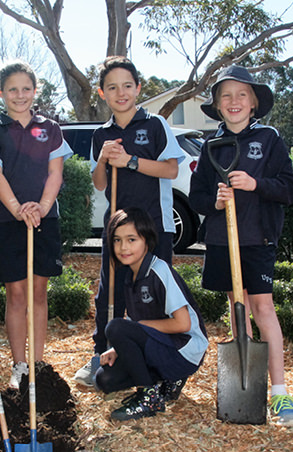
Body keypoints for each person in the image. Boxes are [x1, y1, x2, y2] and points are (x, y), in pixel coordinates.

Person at [188, 65, 293, 427]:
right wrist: (216, 203)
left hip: (258, 238)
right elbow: (197, 199)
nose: (234, 101)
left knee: (262, 306)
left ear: (253, 102)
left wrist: (256, 185)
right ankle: (247, 386)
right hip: (224, 240)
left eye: (241, 94)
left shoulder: (268, 139)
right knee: (237, 308)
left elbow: (289, 188)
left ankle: (281, 393)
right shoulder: (211, 147)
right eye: (226, 95)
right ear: (218, 106)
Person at [73, 56, 186, 387]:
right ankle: (102, 354)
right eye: (112, 87)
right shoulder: (101, 134)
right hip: (117, 228)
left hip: (153, 226)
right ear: (102, 93)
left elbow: (171, 169)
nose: (120, 93)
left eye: (126, 86)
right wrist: (105, 160)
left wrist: (131, 161)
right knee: (110, 291)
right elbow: (99, 183)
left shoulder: (155, 125)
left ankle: (162, 362)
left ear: (137, 89)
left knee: (156, 294)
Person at [0, 61, 73, 389]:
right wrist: (19, 209)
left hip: (44, 218)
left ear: (35, 91)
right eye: (12, 89)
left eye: (26, 89)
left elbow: (55, 172)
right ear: (1, 93)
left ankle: (37, 365)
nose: (20, 95)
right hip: (9, 220)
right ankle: (19, 366)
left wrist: (43, 207)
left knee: (38, 291)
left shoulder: (50, 128)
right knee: (16, 294)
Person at [95, 207, 207, 421]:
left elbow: (183, 324)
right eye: (117, 240)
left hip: (183, 350)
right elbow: (137, 328)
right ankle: (169, 381)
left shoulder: (159, 271)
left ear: (146, 240)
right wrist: (117, 349)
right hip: (161, 345)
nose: (123, 247)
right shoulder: (130, 276)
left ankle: (149, 398)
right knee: (105, 380)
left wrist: (140, 327)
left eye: (131, 239)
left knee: (115, 327)